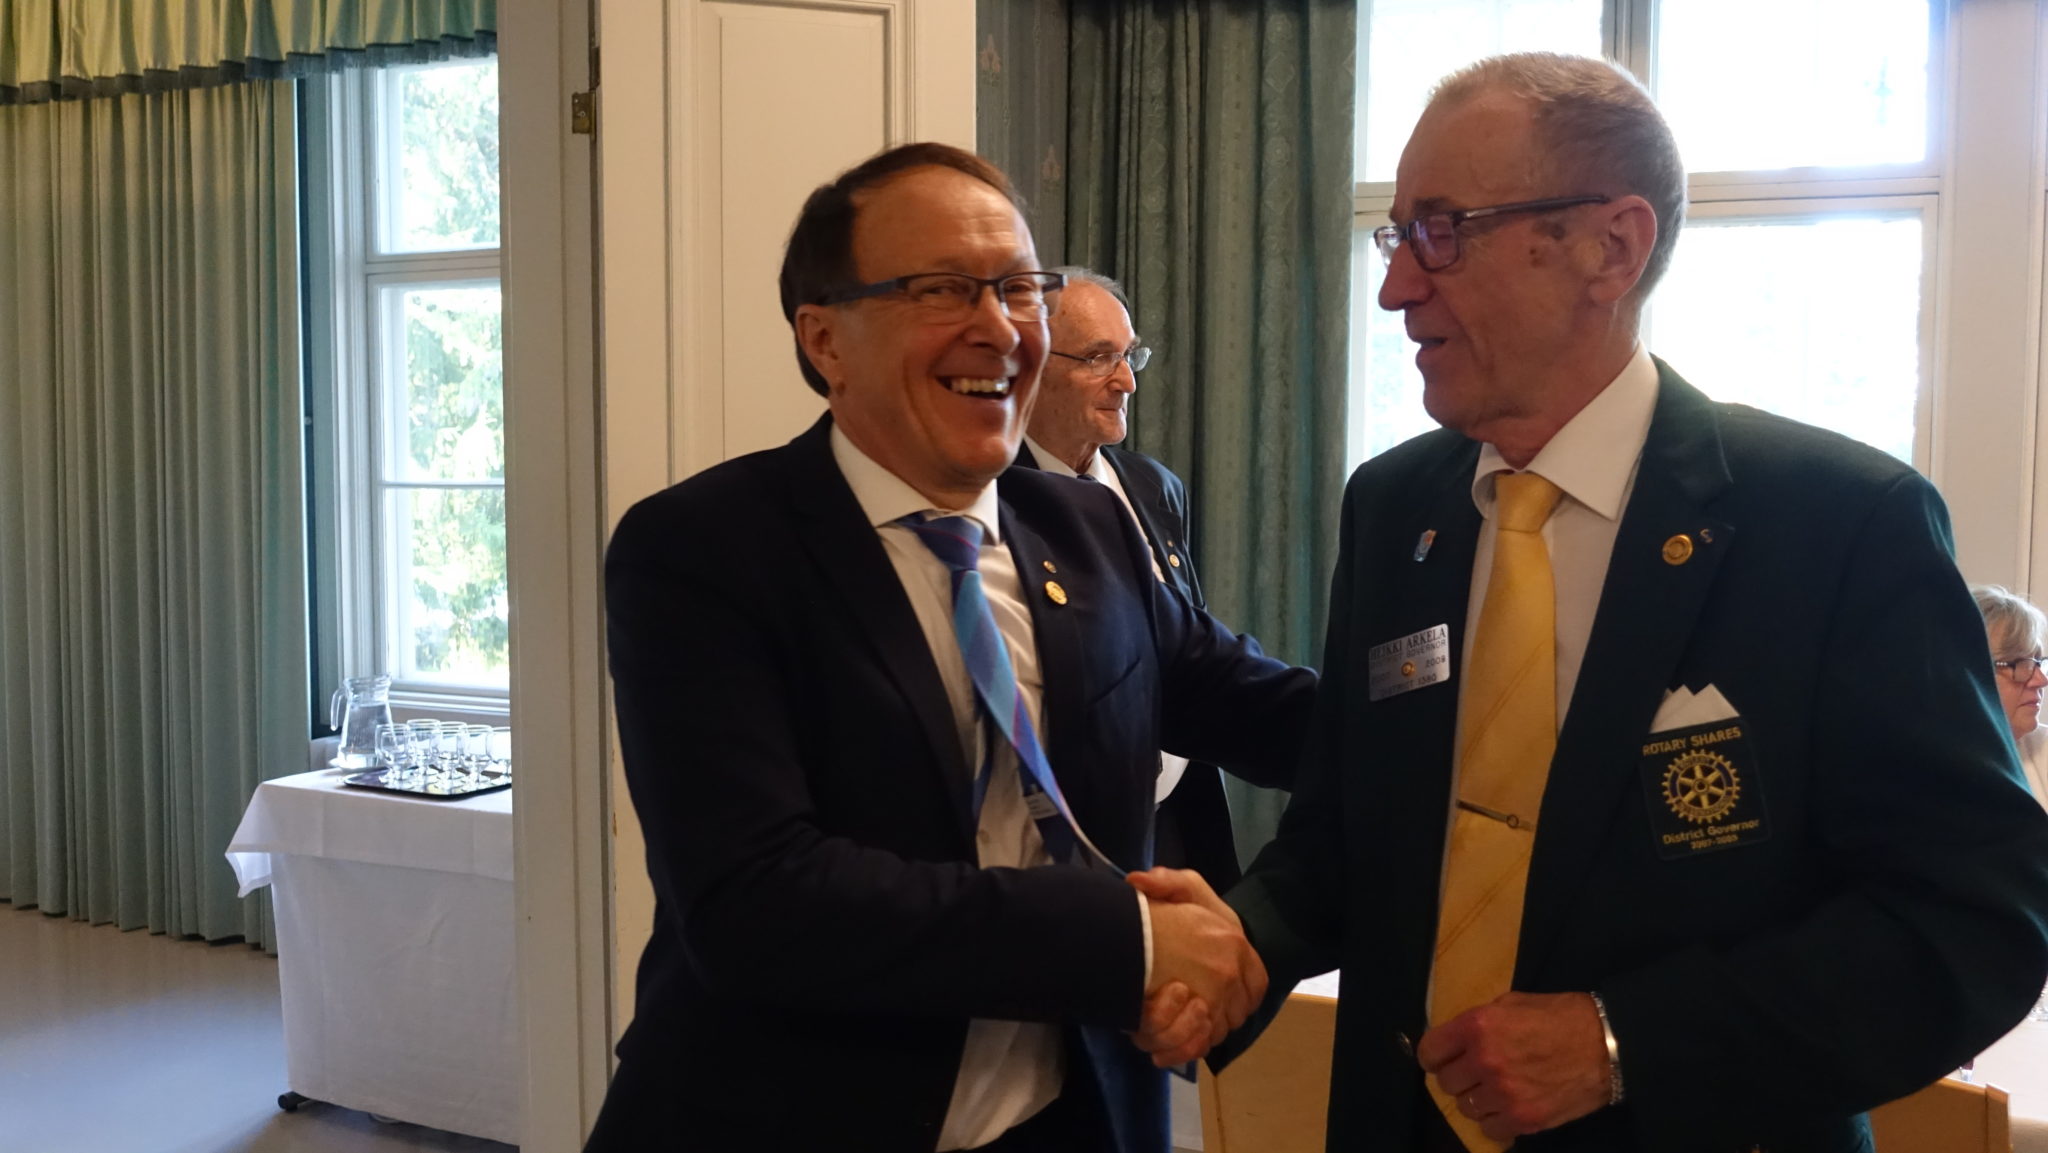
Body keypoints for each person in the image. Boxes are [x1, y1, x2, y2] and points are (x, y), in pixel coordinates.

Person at [1154, 52, 2048, 1153]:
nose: (1396, 288)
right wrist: (1243, 939)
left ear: (1610, 248)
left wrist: (1624, 1040)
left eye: (1443, 232)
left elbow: (1972, 924)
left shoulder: (1836, 523)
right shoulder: (1395, 509)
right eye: (1398, 237)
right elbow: (1348, 836)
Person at [587, 142, 1314, 1153]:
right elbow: (759, 902)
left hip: (1071, 1122)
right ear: (824, 339)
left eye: (1019, 289)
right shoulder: (703, 550)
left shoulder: (1088, 529)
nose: (999, 328)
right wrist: (1131, 940)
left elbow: (1264, 709)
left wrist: (1472, 716)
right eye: (940, 289)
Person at [1012, 267, 1275, 891]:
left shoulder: (1154, 486)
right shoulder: (993, 501)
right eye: (1099, 358)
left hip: (1180, 814)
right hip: (1075, 845)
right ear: (1029, 368)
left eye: (1130, 356)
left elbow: (1190, 652)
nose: (1127, 380)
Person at [1972, 584, 2048, 803]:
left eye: (2038, 663)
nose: (2041, 680)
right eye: (2021, 664)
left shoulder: (2043, 749)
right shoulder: (1922, 766)